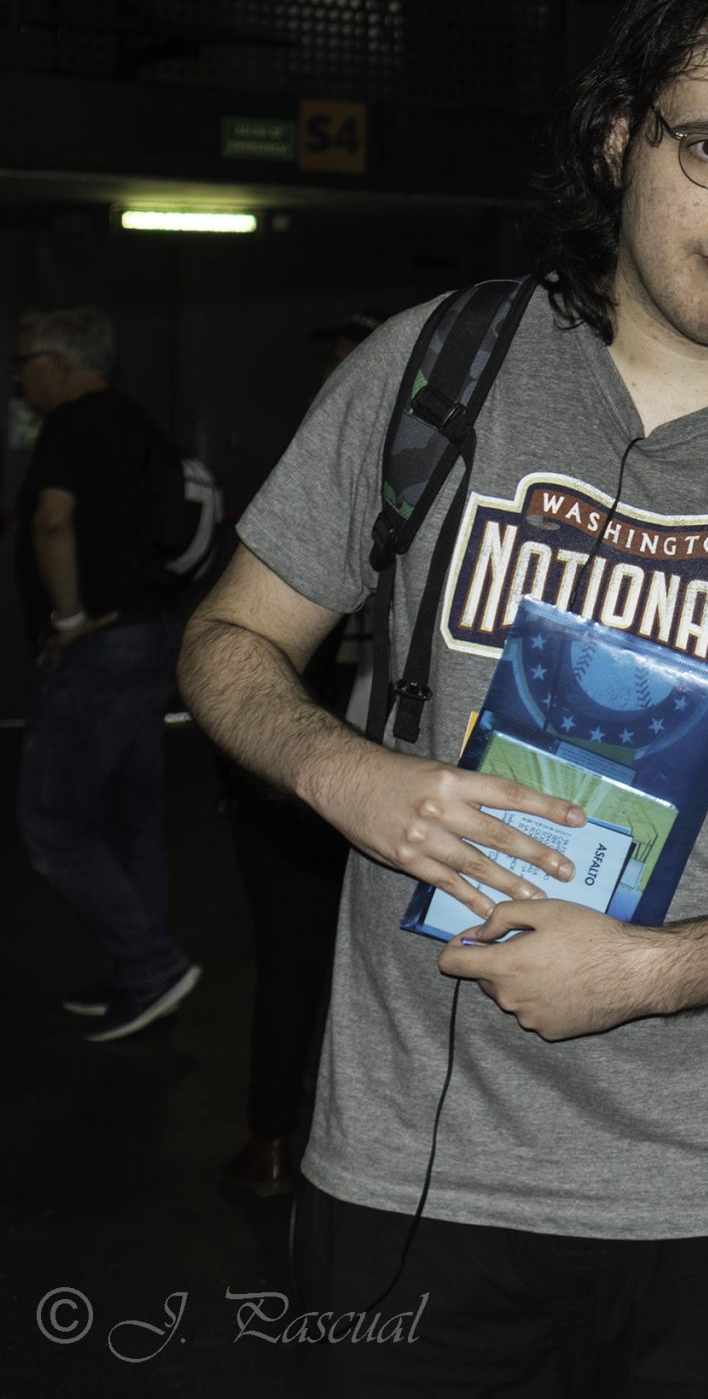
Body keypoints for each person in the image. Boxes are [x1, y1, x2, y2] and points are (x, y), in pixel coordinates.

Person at [175, 0, 708, 1396]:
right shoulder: (441, 368)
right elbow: (227, 640)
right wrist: (348, 775)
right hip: (418, 1167)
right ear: (622, 136)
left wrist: (658, 974)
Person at [217, 312, 386, 1195]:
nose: (342, 381)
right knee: (301, 958)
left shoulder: (402, 482)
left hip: (364, 777)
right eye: (336, 366)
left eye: (357, 365)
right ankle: (275, 1138)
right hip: (305, 773)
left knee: (313, 961)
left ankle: (280, 1138)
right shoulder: (331, 476)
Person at [14, 304, 199, 1043]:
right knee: (132, 813)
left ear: (58, 364)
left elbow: (52, 521)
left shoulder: (70, 424)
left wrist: (66, 620)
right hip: (150, 634)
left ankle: (149, 962)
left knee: (51, 822)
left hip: (99, 648)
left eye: (24, 361)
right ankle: (139, 970)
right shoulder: (135, 421)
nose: (19, 376)